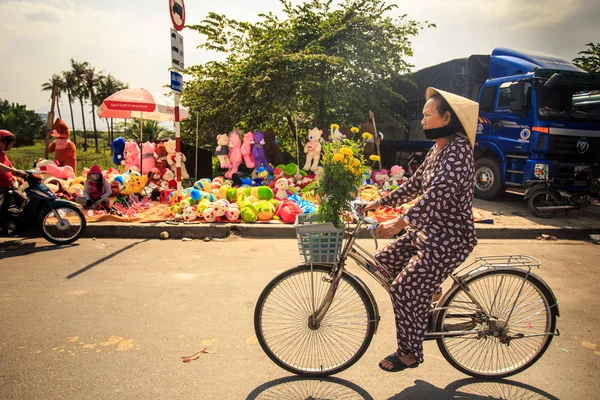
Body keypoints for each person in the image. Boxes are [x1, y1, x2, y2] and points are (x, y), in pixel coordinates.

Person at [361, 87, 479, 372]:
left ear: (446, 117)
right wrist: (377, 202)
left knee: (403, 287)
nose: (422, 121)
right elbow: (414, 186)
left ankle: (409, 353)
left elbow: (436, 195)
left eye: (428, 115)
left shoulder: (458, 152)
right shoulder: (436, 149)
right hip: (426, 232)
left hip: (449, 239)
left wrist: (400, 222)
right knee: (383, 263)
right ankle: (428, 292)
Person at [0, 130, 26, 229]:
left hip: (7, 186)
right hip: (1, 188)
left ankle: (11, 222)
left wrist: (20, 174)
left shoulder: (3, 154)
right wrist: (14, 171)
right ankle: (4, 223)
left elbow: (11, 167)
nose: (12, 144)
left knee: (22, 199)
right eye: (9, 141)